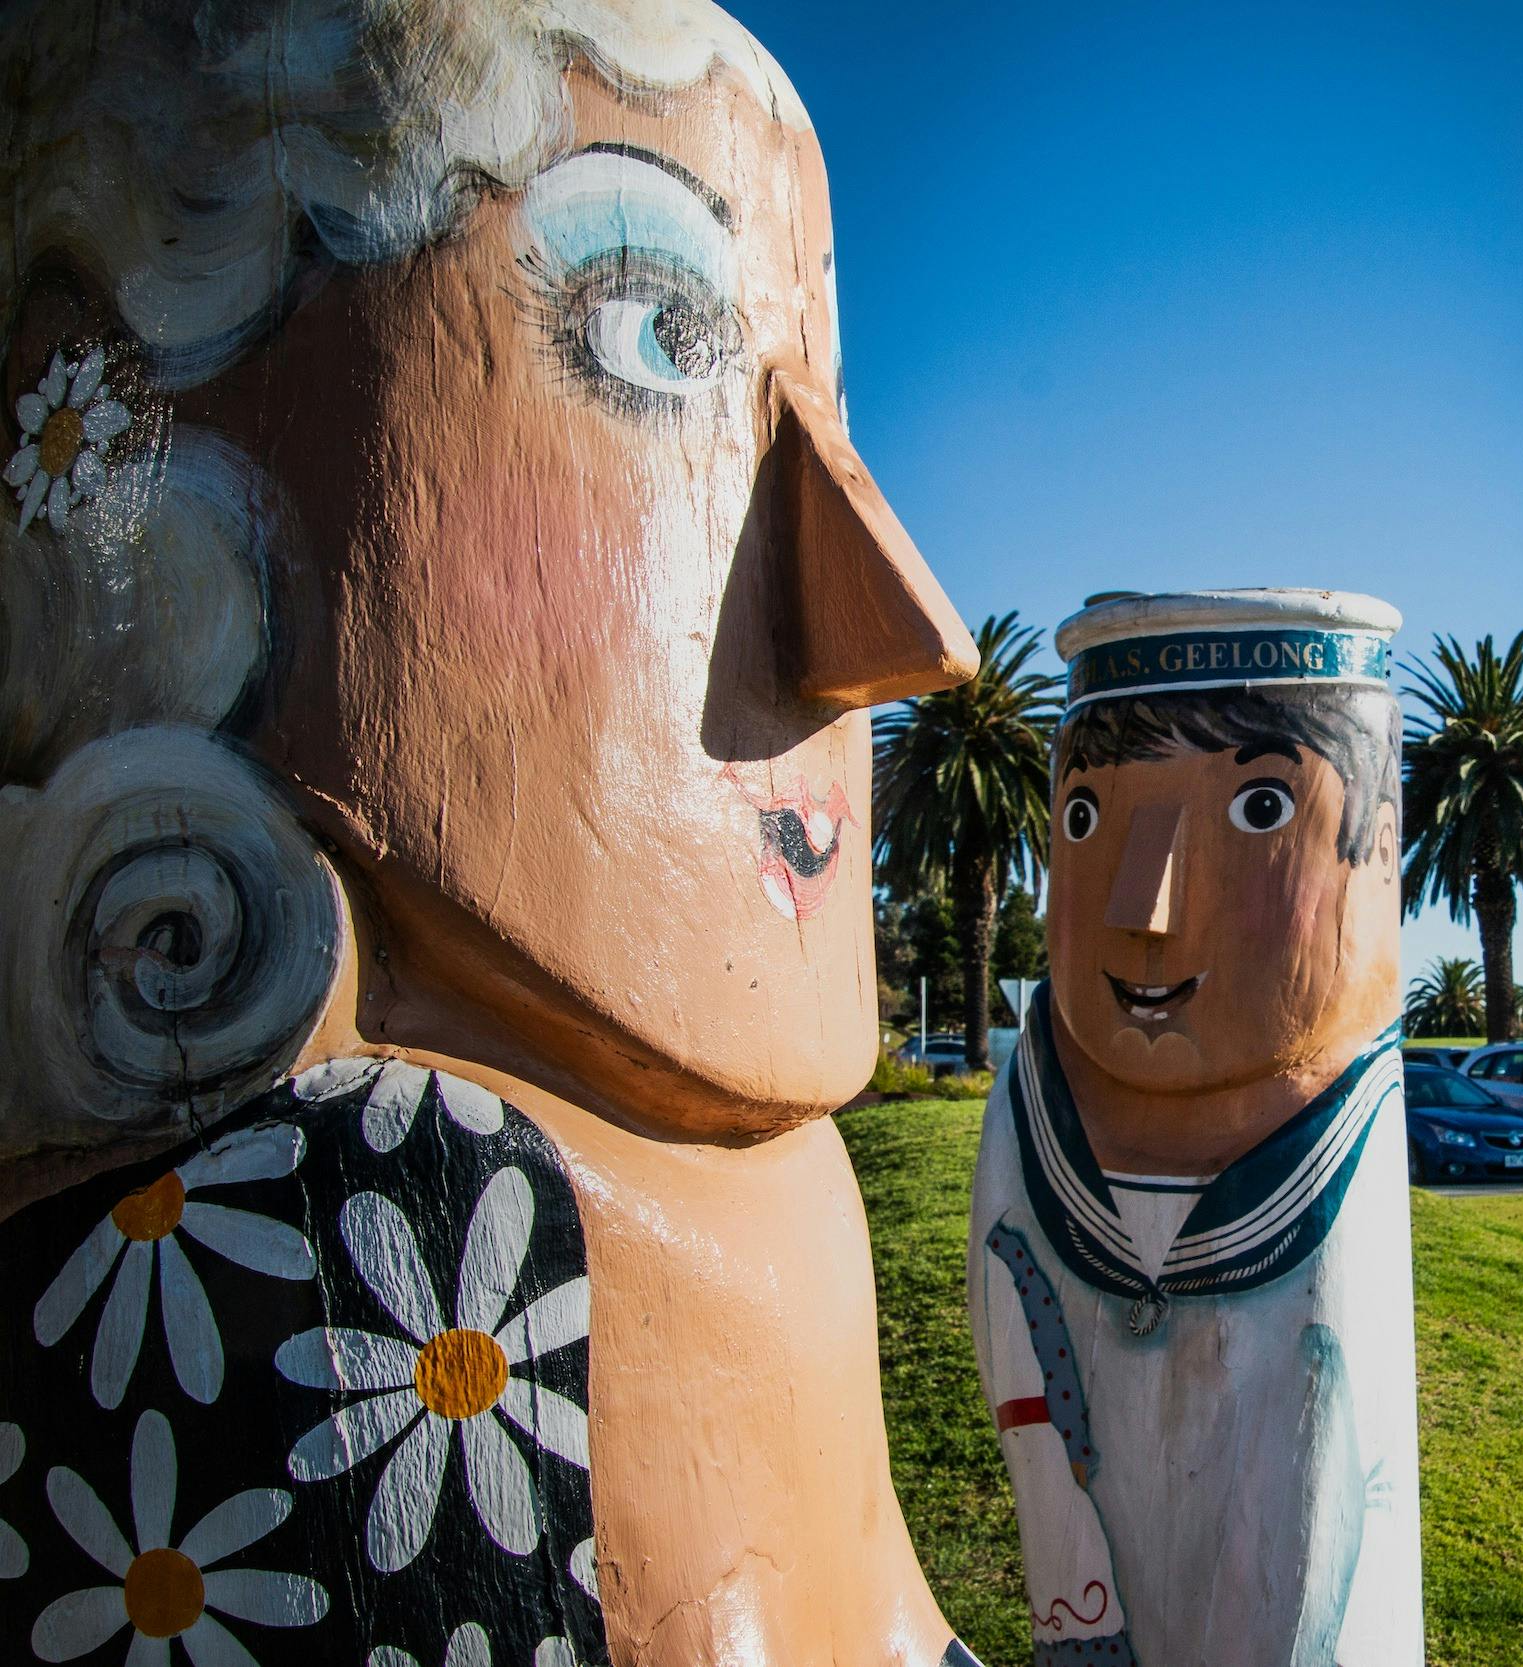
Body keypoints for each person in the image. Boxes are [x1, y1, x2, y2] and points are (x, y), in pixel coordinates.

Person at [0, 3, 979, 1662]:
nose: (897, 620)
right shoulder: (339, 1201)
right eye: (659, 335)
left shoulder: (783, 1199)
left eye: (825, 398)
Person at [970, 590, 1425, 1667]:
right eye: (1085, 816)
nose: (1147, 905)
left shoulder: (1351, 1127)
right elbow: (1010, 1334)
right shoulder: (1030, 1105)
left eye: (1260, 809)